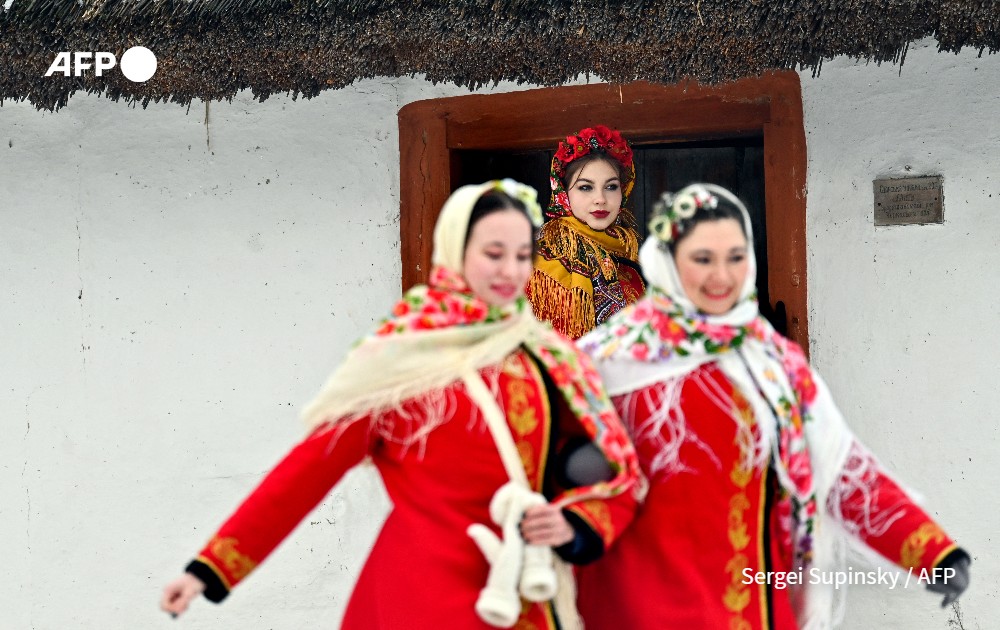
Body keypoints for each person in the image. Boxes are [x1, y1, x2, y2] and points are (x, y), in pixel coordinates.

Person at [160, 180, 642, 630]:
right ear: (456, 253)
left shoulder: (550, 357)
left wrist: (572, 523)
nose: (510, 271)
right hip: (417, 599)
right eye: (493, 253)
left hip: (524, 600)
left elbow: (612, 472)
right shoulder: (402, 357)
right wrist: (210, 568)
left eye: (521, 255)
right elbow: (308, 471)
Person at [574, 183, 971, 629]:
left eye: (735, 257)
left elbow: (840, 469)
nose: (721, 276)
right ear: (668, 262)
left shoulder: (774, 365)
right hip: (639, 606)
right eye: (703, 258)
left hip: (754, 607)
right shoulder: (605, 364)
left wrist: (931, 552)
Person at [525, 125, 645, 339]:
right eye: (585, 187)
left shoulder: (633, 264)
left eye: (611, 187)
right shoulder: (534, 265)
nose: (600, 199)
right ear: (563, 193)